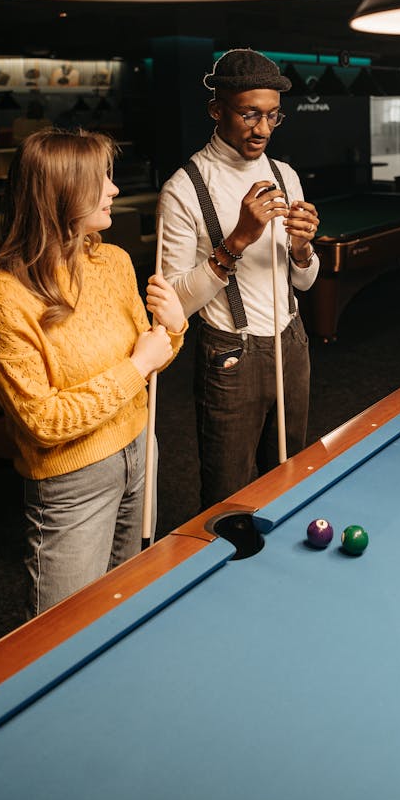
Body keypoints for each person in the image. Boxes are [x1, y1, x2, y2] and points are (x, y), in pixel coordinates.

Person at [0, 127, 187, 617]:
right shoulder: (2, 296)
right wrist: (140, 364)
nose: (114, 189)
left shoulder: (111, 261)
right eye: (102, 179)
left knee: (125, 598)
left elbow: (150, 356)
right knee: (61, 627)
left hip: (140, 446)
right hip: (72, 479)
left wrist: (173, 331)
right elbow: (43, 422)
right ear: (61, 192)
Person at [159, 49, 320, 509]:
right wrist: (237, 241)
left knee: (291, 477)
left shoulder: (284, 175)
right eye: (250, 114)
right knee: (228, 495)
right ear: (216, 110)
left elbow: (305, 283)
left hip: (292, 344)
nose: (263, 130)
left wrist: (304, 249)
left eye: (273, 116)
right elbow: (174, 304)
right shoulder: (184, 188)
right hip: (230, 354)